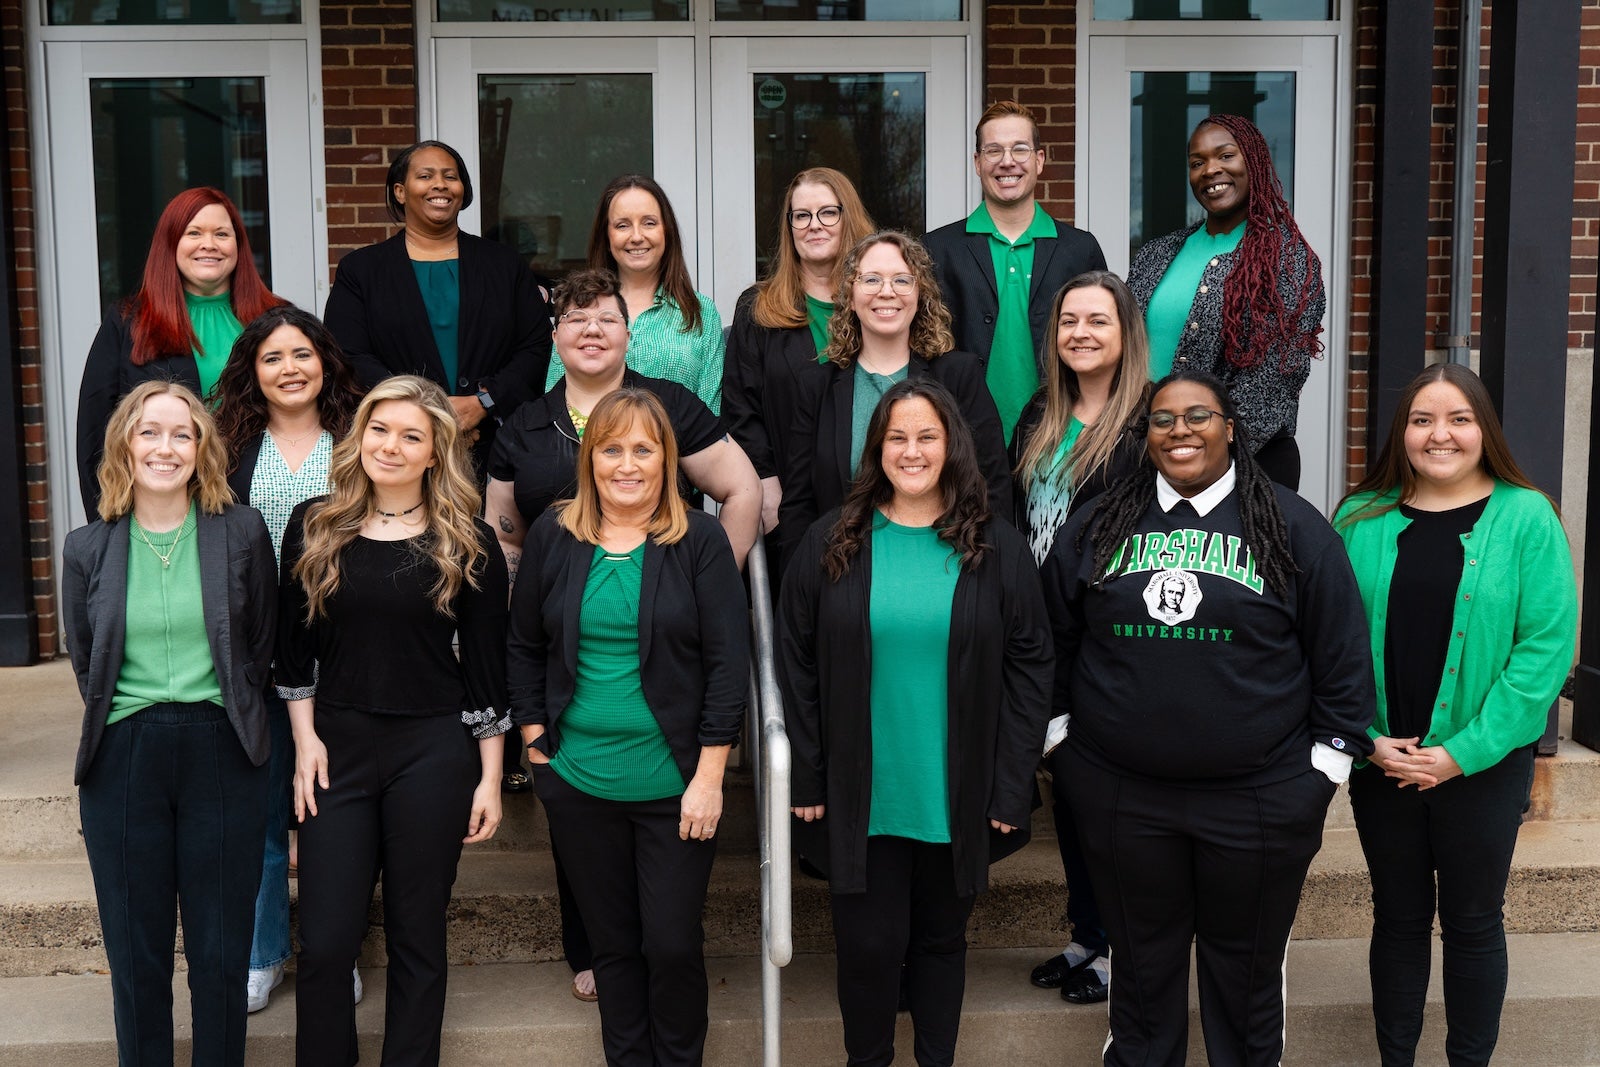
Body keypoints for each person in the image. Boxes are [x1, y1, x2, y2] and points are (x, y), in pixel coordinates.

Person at [1041, 370, 1374, 1067]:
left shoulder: (1292, 525)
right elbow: (1051, 640)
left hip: (1258, 799)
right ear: (1145, 435)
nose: (1181, 430)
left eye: (1199, 415)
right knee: (1141, 976)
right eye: (1163, 419)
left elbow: (1340, 655)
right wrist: (1063, 744)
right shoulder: (1101, 522)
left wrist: (1320, 773)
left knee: (1245, 982)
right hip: (1123, 796)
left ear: (1231, 427)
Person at [485, 268, 758, 1001]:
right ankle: (598, 959)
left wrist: (701, 583)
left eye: (606, 317)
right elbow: (502, 524)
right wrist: (535, 734)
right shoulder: (526, 421)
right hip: (566, 638)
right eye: (575, 319)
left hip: (658, 655)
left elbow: (742, 486)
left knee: (667, 936)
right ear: (555, 335)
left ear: (627, 329)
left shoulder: (667, 404)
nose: (591, 330)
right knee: (597, 890)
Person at [779, 378, 1052, 1067]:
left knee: (939, 943)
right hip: (858, 792)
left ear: (952, 444)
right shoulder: (830, 541)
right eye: (896, 436)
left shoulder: (998, 548)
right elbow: (796, 666)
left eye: (927, 435)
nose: (912, 449)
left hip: (956, 792)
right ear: (876, 448)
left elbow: (1031, 669)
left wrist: (1011, 783)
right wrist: (806, 772)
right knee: (868, 949)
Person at [1334, 363, 1578, 1067]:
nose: (1439, 434)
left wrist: (1461, 751)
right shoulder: (1360, 517)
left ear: (1483, 430)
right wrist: (1368, 739)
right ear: (1401, 431)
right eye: (1421, 419)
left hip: (1482, 768)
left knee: (1473, 924)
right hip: (1383, 765)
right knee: (1400, 920)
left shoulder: (1526, 515)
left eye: (1458, 419)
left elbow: (1543, 650)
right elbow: (1327, 638)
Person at [506, 389, 749, 1067]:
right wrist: (535, 748)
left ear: (667, 457)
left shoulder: (698, 540)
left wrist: (709, 776)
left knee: (670, 944)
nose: (627, 464)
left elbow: (730, 663)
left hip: (672, 786)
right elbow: (523, 645)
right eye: (612, 448)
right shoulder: (556, 533)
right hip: (578, 780)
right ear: (590, 457)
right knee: (612, 948)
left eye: (644, 448)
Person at [276, 375, 510, 1067]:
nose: (392, 445)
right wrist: (304, 741)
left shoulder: (468, 540)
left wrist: (491, 777)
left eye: (412, 435)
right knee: (323, 941)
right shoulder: (315, 524)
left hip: (433, 749)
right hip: (336, 748)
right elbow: (293, 653)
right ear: (360, 436)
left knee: (417, 938)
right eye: (380, 429)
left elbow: (488, 672)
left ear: (437, 450)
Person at [63, 381, 277, 1066]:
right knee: (137, 953)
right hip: (124, 755)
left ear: (201, 446)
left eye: (181, 433)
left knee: (219, 950)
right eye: (149, 431)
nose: (165, 446)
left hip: (222, 749)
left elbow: (260, 643)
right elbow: (84, 654)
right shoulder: (85, 547)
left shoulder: (240, 532)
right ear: (125, 444)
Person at [210, 305, 364, 1014]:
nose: (290, 368)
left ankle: (338, 952)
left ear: (325, 359)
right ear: (253, 371)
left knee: (337, 819)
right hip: (254, 654)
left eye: (302, 353)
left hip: (350, 650)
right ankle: (264, 952)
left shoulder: (361, 436)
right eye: (273, 358)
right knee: (263, 814)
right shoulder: (228, 443)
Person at [1009, 270, 1149, 1004]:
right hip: (1045, 636)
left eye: (1098, 320)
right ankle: (1085, 934)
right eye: (1069, 321)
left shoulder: (1149, 423)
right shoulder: (1039, 414)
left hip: (1111, 640)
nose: (1081, 333)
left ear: (1126, 332)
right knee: (1068, 791)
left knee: (1109, 801)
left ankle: (1122, 951)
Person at [777, 231, 1013, 566]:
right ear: (850, 293)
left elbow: (993, 484)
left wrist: (988, 572)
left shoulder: (958, 377)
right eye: (871, 279)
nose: (886, 292)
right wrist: (800, 590)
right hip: (841, 574)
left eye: (902, 280)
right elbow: (798, 505)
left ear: (921, 293)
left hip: (947, 567)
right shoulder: (817, 385)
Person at [322, 139, 554, 474]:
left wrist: (483, 402)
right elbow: (348, 355)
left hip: (496, 446)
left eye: (450, 176)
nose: (440, 185)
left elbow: (536, 346)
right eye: (426, 176)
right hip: (401, 449)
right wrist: (425, 413)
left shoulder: (504, 264)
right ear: (400, 191)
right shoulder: (361, 270)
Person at [1127, 114, 1325, 490]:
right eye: (1197, 162)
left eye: (1225, 156)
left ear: (1254, 161)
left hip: (1246, 467)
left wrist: (1192, 453)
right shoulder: (1157, 253)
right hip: (1154, 459)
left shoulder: (1287, 259)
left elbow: (1273, 381)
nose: (1210, 170)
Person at [76, 186, 286, 515]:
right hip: (160, 504)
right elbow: (95, 431)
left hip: (262, 499)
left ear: (238, 245)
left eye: (222, 233)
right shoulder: (129, 322)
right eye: (194, 233)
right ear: (171, 243)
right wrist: (105, 524)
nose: (209, 244)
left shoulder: (276, 319)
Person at [924, 100, 1107, 444]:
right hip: (962, 439)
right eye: (993, 150)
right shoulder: (938, 249)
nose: (1007, 161)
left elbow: (1108, 345)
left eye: (1019, 149)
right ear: (977, 163)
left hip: (1062, 437)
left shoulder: (1079, 250)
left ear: (1039, 160)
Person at [723, 167, 877, 538]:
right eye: (801, 216)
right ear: (789, 228)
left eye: (827, 212)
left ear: (848, 217)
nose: (814, 225)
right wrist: (768, 489)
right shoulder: (757, 309)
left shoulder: (879, 301)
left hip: (878, 496)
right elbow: (740, 410)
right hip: (791, 505)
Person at [543, 175, 724, 414]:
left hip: (682, 450)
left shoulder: (700, 311)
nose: (637, 236)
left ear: (666, 232)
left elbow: (711, 414)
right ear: (606, 236)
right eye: (622, 225)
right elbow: (555, 406)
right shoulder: (577, 310)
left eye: (649, 223)